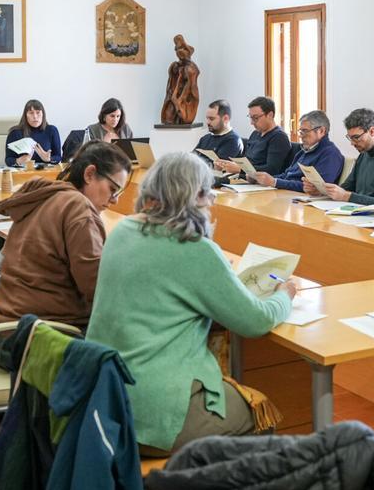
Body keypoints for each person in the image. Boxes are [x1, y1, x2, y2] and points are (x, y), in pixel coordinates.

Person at [88, 152, 300, 456]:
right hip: (151, 412)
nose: (211, 200)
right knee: (263, 415)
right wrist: (285, 294)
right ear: (192, 197)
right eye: (206, 193)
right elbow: (257, 321)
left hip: (104, 400)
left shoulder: (123, 230)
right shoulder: (195, 249)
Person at [0, 142, 132, 369]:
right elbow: (98, 289)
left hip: (2, 333)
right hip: (33, 340)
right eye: (113, 189)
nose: (115, 200)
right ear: (90, 174)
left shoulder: (47, 195)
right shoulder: (79, 209)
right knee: (133, 356)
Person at [310, 108, 374, 210]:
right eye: (350, 138)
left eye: (356, 137)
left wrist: (347, 196)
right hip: (357, 214)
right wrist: (321, 191)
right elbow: (346, 188)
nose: (352, 143)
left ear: (372, 131)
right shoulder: (363, 155)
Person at [250, 110, 343, 192]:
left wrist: (275, 182)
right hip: (287, 193)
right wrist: (261, 178)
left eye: (305, 131)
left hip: (303, 200)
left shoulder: (330, 154)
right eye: (300, 131)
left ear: (321, 131)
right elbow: (287, 175)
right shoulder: (303, 151)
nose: (301, 135)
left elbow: (318, 188)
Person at [213, 96, 290, 177]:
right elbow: (247, 161)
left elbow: (272, 169)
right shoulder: (255, 134)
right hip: (247, 179)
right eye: (250, 117)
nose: (252, 122)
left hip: (264, 184)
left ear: (270, 115)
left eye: (255, 118)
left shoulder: (279, 137)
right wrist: (227, 166)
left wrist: (240, 169)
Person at [5, 99, 62, 167]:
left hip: (46, 172)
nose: (35, 117)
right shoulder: (15, 133)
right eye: (31, 113)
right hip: (23, 172)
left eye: (38, 113)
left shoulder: (52, 130)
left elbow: (58, 157)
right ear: (25, 116)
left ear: (43, 115)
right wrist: (18, 161)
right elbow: (8, 160)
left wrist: (49, 159)